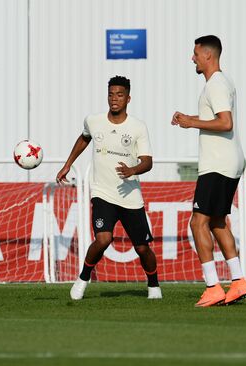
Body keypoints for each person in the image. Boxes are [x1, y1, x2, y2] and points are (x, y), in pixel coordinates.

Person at [57, 75, 162, 301]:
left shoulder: (137, 127)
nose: (114, 99)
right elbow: (84, 138)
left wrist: (133, 170)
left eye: (120, 95)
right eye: (111, 94)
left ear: (128, 98)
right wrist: (68, 165)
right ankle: (82, 280)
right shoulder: (93, 121)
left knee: (142, 248)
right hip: (102, 193)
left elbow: (148, 161)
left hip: (130, 196)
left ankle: (153, 285)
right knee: (103, 239)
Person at [172, 35, 246, 307]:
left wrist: (190, 121)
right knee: (217, 222)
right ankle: (239, 281)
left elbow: (225, 122)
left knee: (197, 223)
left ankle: (213, 286)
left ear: (208, 55)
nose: (192, 58)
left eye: (195, 53)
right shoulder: (222, 82)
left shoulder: (215, 84)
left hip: (218, 164)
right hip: (230, 161)